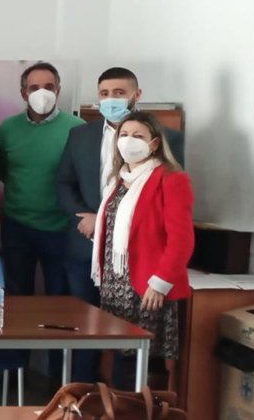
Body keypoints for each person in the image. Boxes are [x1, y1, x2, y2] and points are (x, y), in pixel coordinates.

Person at [56, 67, 185, 383]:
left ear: (136, 95)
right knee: (86, 329)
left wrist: (160, 281)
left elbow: (176, 227)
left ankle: (125, 402)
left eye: (119, 93)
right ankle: (83, 395)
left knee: (131, 348)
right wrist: (89, 218)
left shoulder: (169, 151)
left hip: (139, 269)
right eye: (104, 94)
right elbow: (64, 182)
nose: (111, 99)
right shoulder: (84, 139)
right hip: (88, 252)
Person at [91, 111, 193, 389]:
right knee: (122, 356)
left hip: (148, 285)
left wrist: (160, 283)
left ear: (154, 143)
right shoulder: (118, 180)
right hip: (116, 284)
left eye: (138, 136)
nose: (128, 140)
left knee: (146, 358)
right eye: (124, 135)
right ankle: (121, 406)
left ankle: (145, 408)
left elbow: (182, 239)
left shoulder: (171, 178)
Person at [0, 62, 85, 298]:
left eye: (49, 86)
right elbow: (4, 171)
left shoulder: (77, 128)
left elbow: (83, 178)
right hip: (16, 227)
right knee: (17, 297)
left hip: (61, 228)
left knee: (60, 297)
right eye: (34, 88)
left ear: (58, 90)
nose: (42, 93)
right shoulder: (8, 128)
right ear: (23, 93)